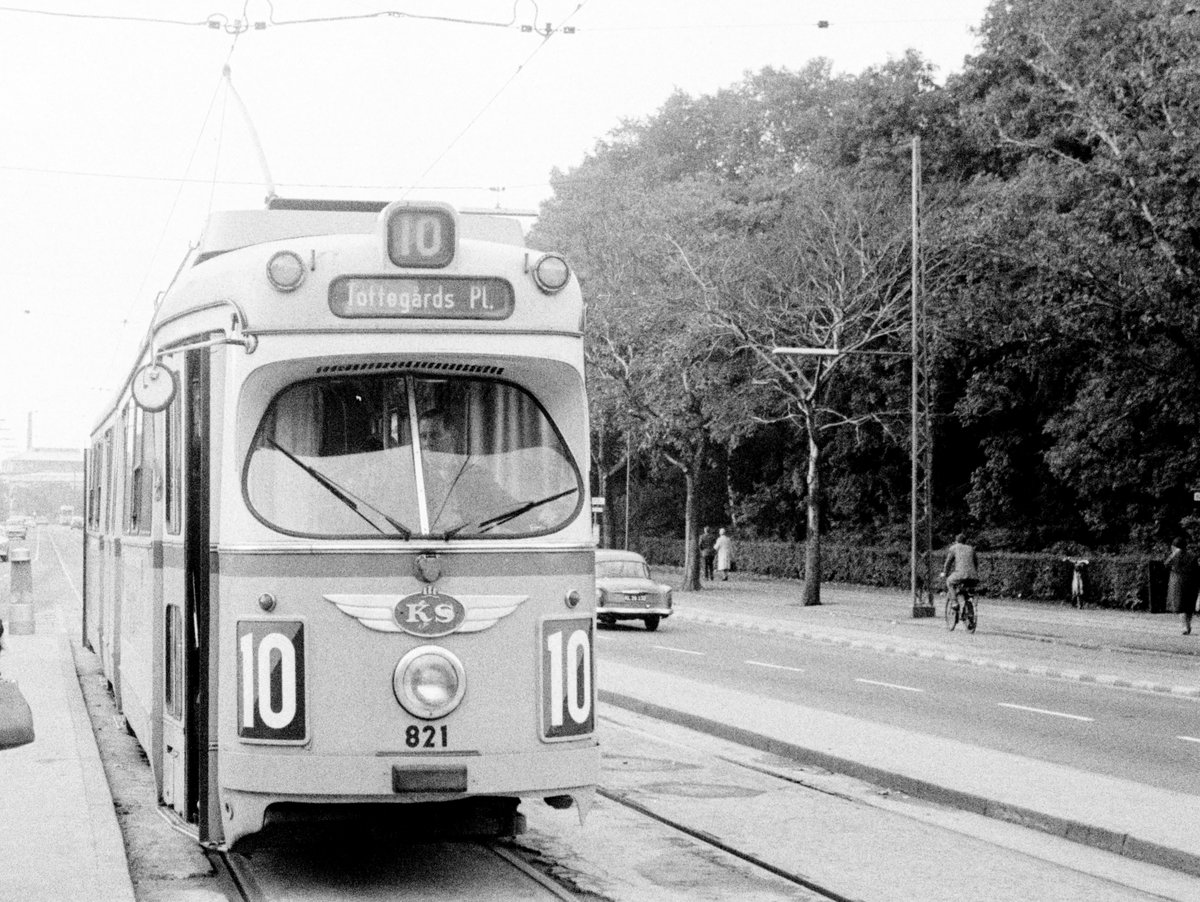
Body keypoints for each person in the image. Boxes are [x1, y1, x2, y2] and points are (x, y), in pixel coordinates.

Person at [1163, 535, 1197, 635]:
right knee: (1189, 605)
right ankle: (1188, 624)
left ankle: (1185, 626)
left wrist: (1173, 554)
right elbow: (1196, 569)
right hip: (1192, 582)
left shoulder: (1175, 556)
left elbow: (1166, 564)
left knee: (1180, 605)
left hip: (1178, 582)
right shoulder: (1192, 556)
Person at [941, 533, 979, 606]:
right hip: (973, 576)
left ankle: (954, 602)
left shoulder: (954, 548)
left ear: (956, 541)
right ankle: (971, 598)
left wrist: (945, 572)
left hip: (960, 574)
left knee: (949, 581)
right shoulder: (971, 548)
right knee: (969, 589)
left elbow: (948, 563)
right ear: (965, 541)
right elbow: (976, 563)